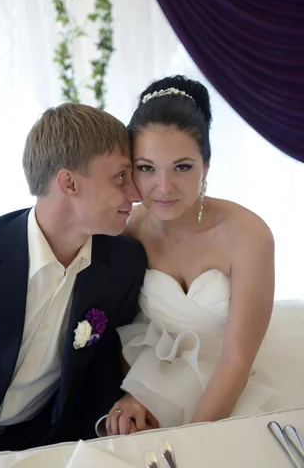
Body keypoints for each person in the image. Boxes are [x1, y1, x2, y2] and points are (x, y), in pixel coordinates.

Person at [0, 103, 155, 468]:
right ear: (68, 182)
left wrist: (122, 409)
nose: (135, 192)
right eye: (120, 176)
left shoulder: (123, 262)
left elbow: (99, 367)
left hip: (45, 446)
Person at [105, 75, 304, 436]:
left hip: (240, 381)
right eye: (147, 167)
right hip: (162, 380)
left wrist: (192, 441)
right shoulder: (129, 228)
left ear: (206, 166)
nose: (163, 188)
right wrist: (138, 392)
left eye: (182, 167)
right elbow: (135, 330)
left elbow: (237, 359)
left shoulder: (248, 235)